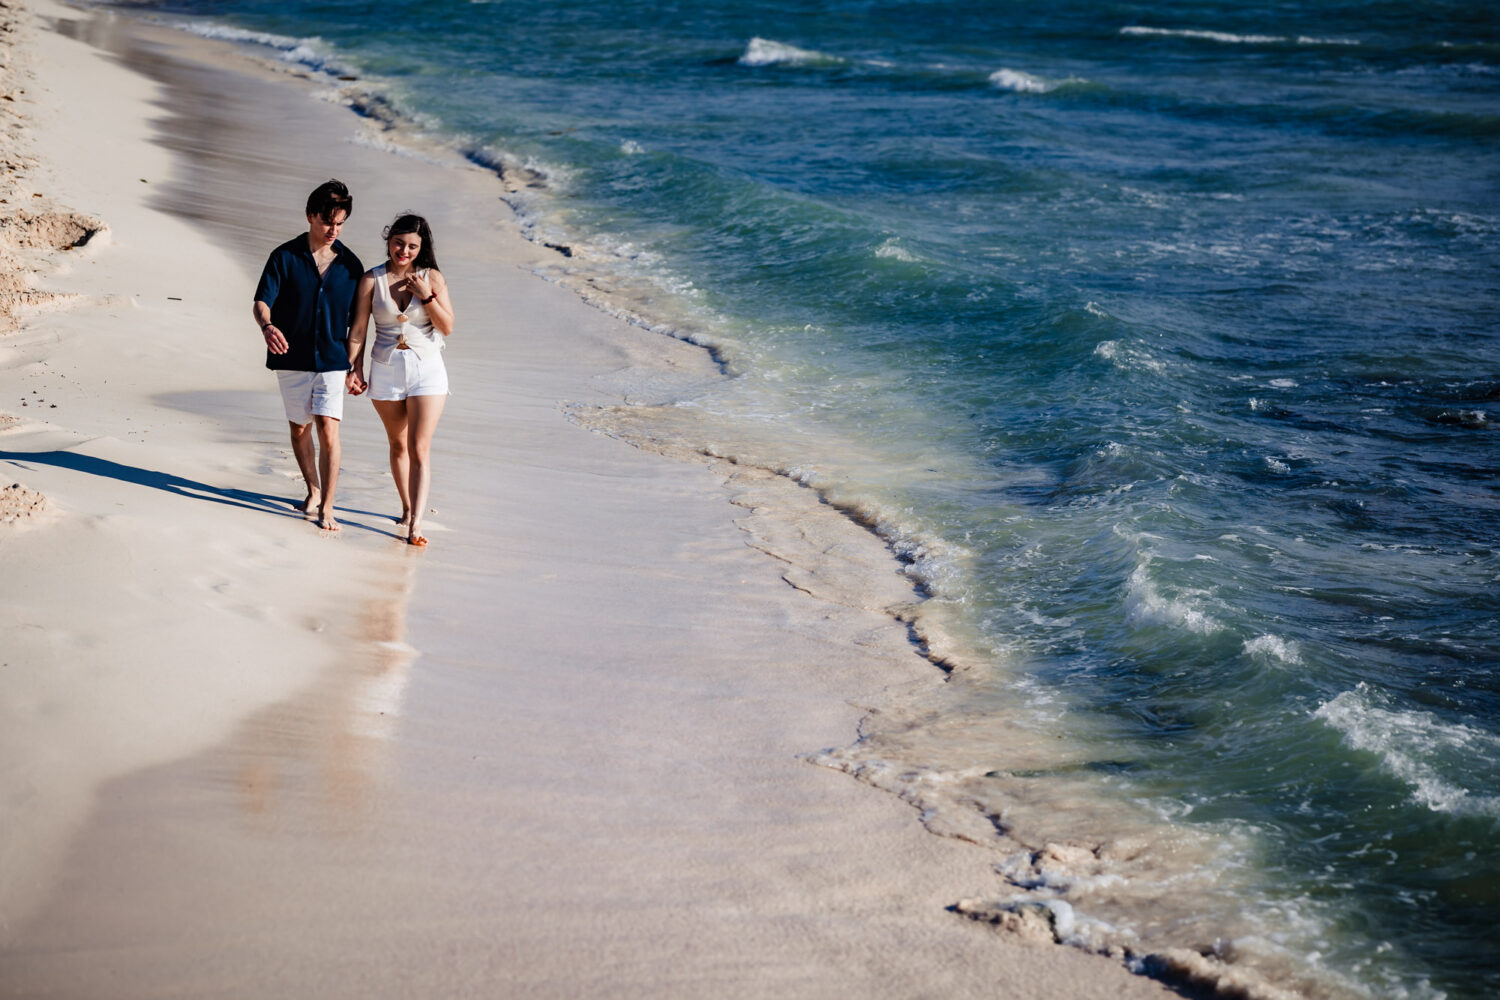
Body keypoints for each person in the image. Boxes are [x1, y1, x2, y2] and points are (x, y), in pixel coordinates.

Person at [252, 179, 364, 531]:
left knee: (328, 428)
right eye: (328, 221)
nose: (334, 229)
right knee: (300, 428)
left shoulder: (351, 267)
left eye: (341, 222)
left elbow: (359, 323)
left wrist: (354, 366)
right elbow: (261, 302)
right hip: (292, 357)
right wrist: (267, 327)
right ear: (310, 216)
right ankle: (313, 488)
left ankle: (328, 507)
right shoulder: (284, 257)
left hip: (332, 359)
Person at [346, 213, 454, 546]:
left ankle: (416, 526)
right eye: (398, 243)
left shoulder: (431, 277)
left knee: (419, 447)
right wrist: (354, 369)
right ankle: (407, 508)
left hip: (427, 371)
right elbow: (359, 331)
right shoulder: (370, 280)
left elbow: (447, 326)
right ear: (388, 240)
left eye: (411, 246)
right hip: (386, 369)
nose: (403, 251)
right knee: (397, 444)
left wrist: (427, 295)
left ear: (421, 248)